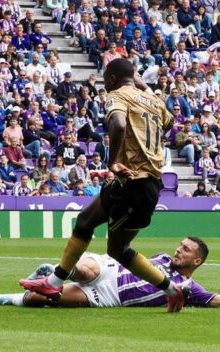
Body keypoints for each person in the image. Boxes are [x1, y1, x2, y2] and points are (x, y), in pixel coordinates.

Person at [19, 58, 186, 312]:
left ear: (110, 80)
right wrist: (144, 88)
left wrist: (114, 161)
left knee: (116, 249)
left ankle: (171, 290)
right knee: (86, 222)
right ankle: (53, 282)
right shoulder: (154, 101)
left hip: (133, 182)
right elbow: (170, 123)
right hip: (142, 183)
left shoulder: (117, 94)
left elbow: (117, 124)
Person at [0, 237, 220, 311]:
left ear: (196, 261)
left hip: (108, 296)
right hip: (110, 270)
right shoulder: (161, 258)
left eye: (185, 250)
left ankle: (16, 297)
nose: (178, 250)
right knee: (87, 267)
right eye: (180, 245)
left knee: (44, 302)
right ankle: (57, 273)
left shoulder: (188, 287)